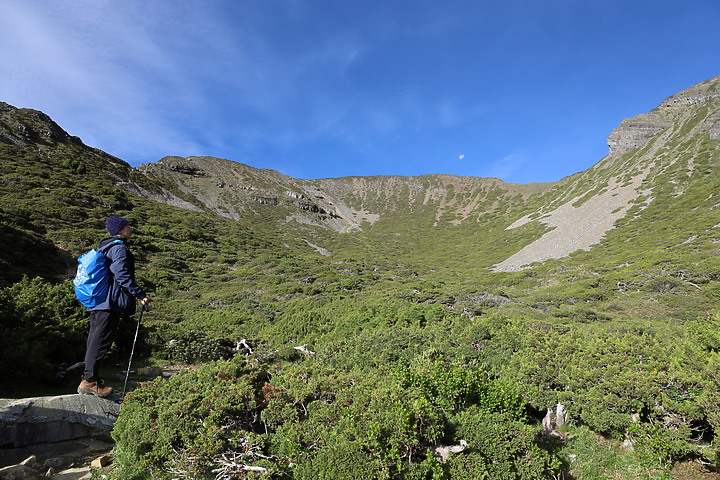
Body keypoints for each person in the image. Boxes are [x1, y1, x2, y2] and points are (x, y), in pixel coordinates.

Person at [78, 215, 150, 397]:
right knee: (100, 341)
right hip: (108, 303)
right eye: (128, 226)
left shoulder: (105, 247)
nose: (130, 229)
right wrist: (140, 294)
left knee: (94, 340)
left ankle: (89, 379)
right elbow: (122, 274)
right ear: (120, 230)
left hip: (99, 302)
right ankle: (89, 381)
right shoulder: (118, 248)